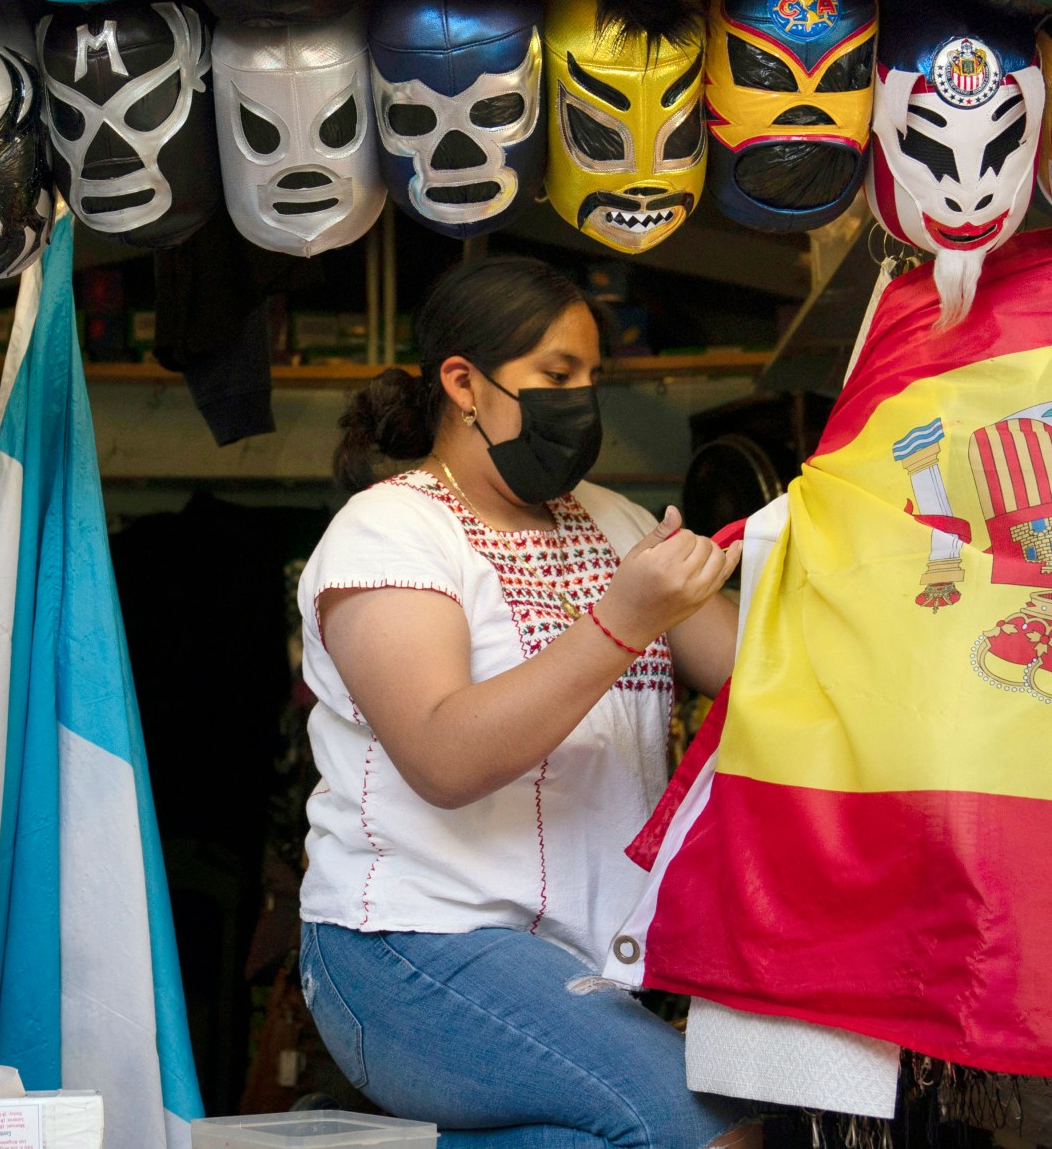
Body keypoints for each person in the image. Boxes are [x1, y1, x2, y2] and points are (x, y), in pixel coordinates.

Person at [297, 255, 751, 1149]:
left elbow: (752, 666)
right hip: (403, 947)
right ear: (464, 382)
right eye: (556, 375)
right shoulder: (391, 529)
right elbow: (443, 755)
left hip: (574, 965)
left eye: (592, 376)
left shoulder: (613, 520)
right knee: (698, 1131)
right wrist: (621, 621)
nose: (581, 399)